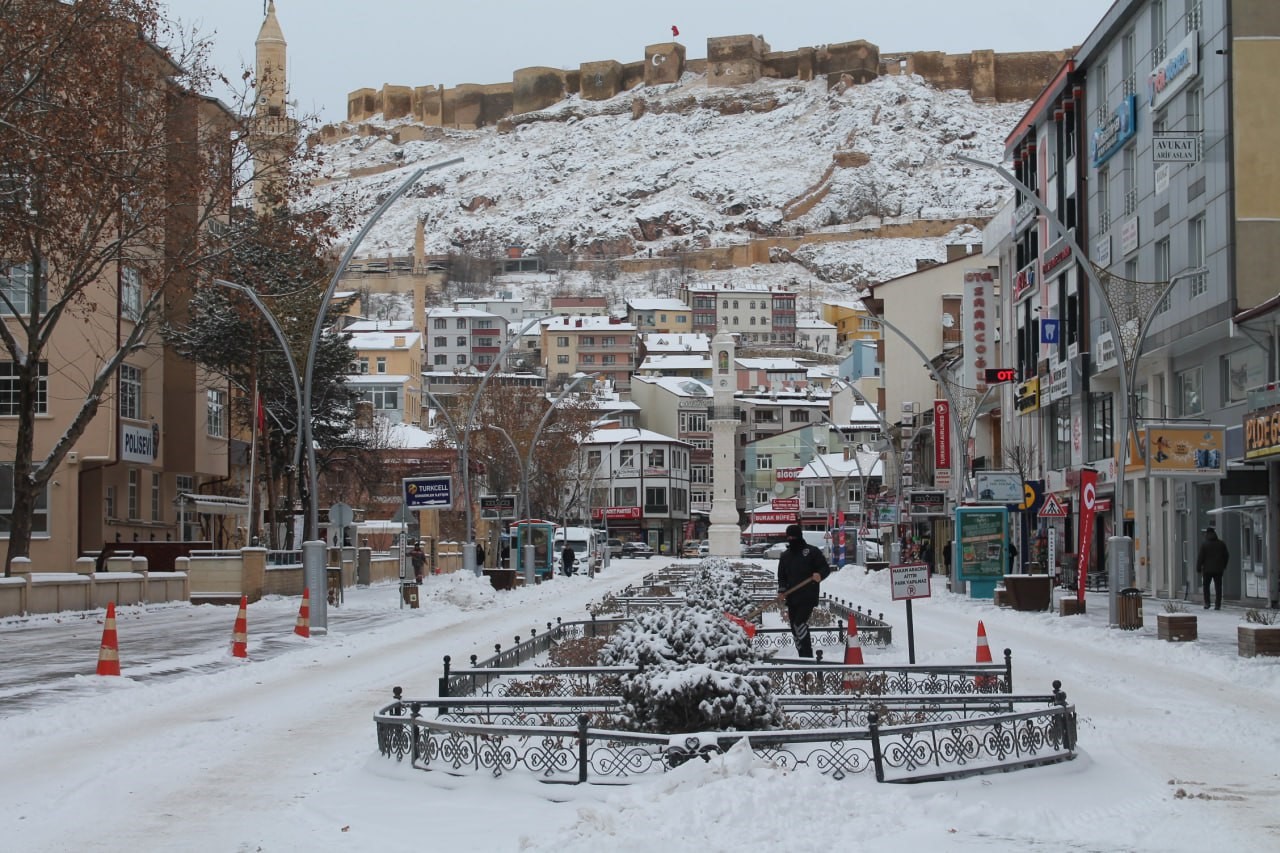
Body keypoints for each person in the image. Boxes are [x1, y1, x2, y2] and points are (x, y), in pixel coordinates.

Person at [776, 523, 831, 658]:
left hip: (808, 595)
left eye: (794, 537)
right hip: (792, 596)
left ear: (800, 537)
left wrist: (819, 575)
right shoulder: (785, 556)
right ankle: (801, 652)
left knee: (799, 623)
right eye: (789, 537)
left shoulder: (812, 552)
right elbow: (782, 575)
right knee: (794, 626)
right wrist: (781, 591)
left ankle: (807, 654)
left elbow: (825, 568)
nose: (791, 540)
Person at [1196, 526, 1229, 610]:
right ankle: (1218, 604)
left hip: (1207, 570)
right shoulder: (1221, 544)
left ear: (1207, 534)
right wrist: (1223, 565)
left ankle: (1207, 603)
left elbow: (1201, 557)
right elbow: (1226, 556)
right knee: (1218, 587)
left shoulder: (1204, 544)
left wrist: (1198, 567)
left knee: (1206, 586)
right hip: (1218, 569)